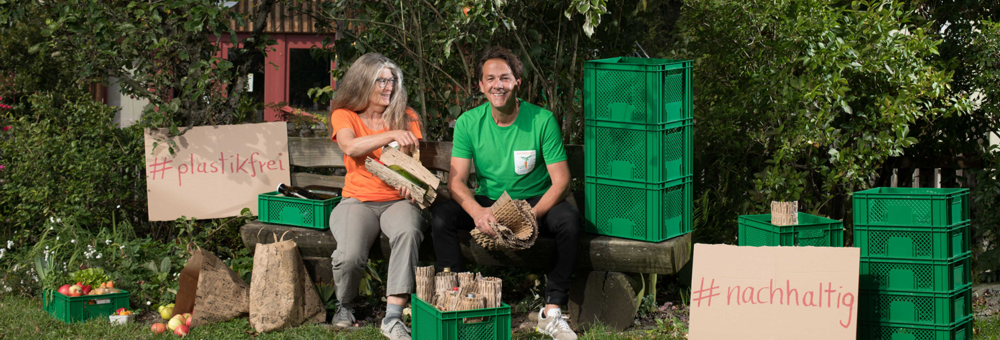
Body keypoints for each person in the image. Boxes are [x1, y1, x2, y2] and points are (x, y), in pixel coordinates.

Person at [431, 46, 581, 340]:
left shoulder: (542, 120)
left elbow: (561, 181)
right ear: (481, 86)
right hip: (490, 202)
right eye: (490, 79)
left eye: (505, 78)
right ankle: (460, 301)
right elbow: (457, 182)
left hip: (535, 201)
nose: (497, 84)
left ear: (517, 83)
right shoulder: (468, 123)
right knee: (440, 217)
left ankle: (551, 313)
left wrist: (529, 218)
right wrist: (477, 213)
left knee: (570, 221)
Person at [327, 52, 424, 340]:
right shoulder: (345, 115)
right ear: (362, 82)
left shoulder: (407, 117)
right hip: (358, 200)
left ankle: (393, 318)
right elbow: (351, 147)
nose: (388, 87)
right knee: (349, 256)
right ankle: (344, 306)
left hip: (398, 201)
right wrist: (390, 133)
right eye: (380, 80)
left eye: (392, 80)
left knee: (409, 232)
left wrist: (411, 182)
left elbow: (414, 164)